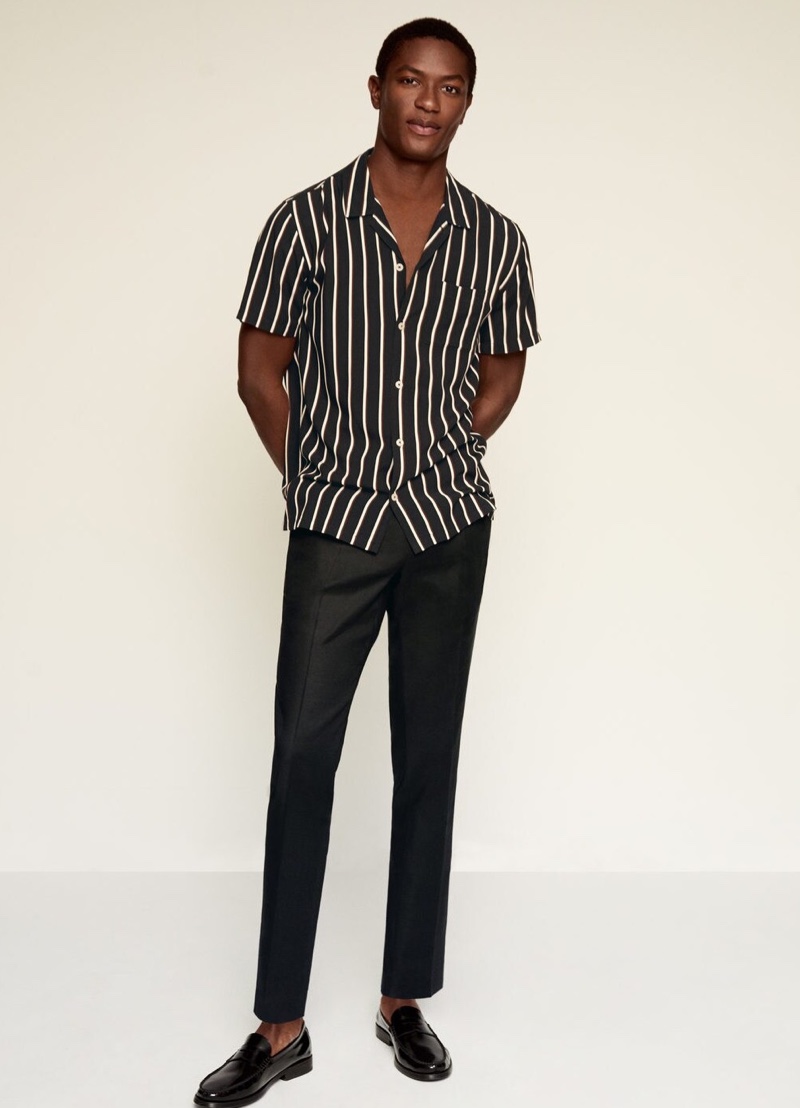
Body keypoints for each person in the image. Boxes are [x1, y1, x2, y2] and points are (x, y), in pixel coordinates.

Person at [194, 16, 541, 1104]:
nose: (429, 101)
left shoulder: (497, 240)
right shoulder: (304, 221)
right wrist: (320, 477)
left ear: (467, 103)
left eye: (450, 86)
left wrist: (444, 449)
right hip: (335, 527)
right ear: (377, 89)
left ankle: (403, 1000)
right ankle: (280, 1026)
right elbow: (258, 370)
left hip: (448, 525)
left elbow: (504, 367)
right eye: (411, 81)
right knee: (303, 758)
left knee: (427, 758)